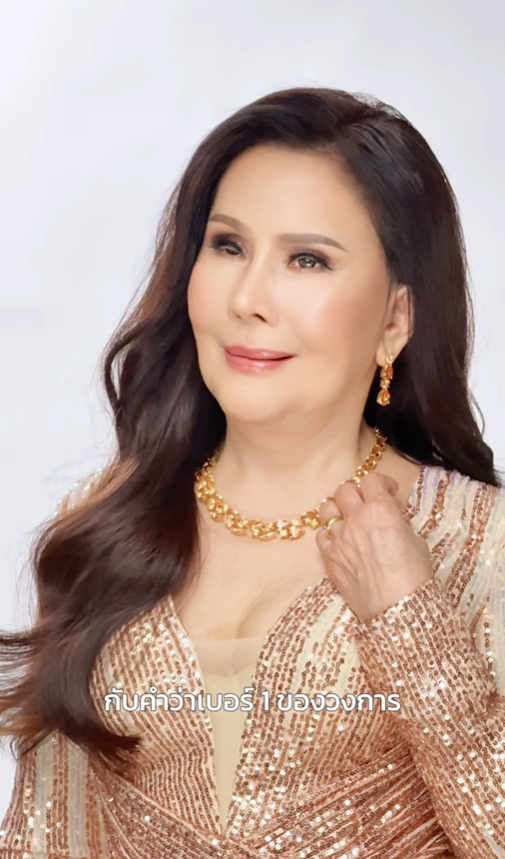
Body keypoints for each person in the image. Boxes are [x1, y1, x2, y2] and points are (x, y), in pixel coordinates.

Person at [0, 86, 504, 859]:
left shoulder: (481, 542)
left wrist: (409, 621)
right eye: (228, 246)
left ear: (394, 319)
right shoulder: (110, 521)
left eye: (307, 259)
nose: (247, 298)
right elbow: (46, 836)